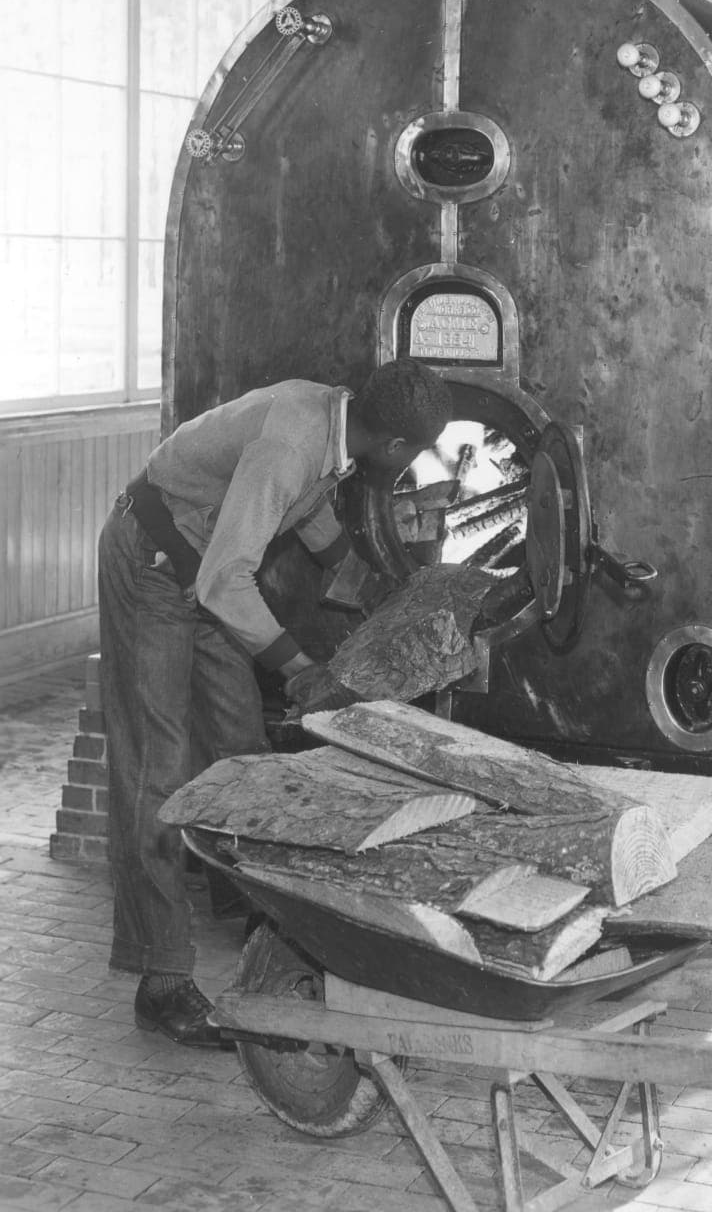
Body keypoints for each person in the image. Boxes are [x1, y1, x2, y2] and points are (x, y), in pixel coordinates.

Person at [98, 357, 452, 1047]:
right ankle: (160, 980)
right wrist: (299, 670)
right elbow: (226, 580)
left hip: (204, 568)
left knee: (240, 747)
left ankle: (253, 911)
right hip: (154, 567)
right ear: (394, 446)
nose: (412, 464)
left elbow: (306, 506)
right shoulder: (292, 444)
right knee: (155, 770)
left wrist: (369, 586)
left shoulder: (332, 418)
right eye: (415, 454)